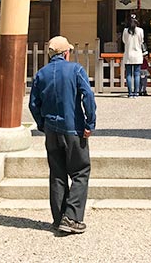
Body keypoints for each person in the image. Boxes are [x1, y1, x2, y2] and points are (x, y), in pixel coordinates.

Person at [29, 35, 97, 234]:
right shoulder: (76, 70)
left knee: (57, 174)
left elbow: (33, 104)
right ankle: (72, 217)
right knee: (80, 171)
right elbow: (88, 96)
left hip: (51, 129)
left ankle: (58, 218)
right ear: (66, 52)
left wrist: (42, 124)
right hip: (73, 127)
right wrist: (89, 122)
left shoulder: (41, 74)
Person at [121, 14, 146, 98]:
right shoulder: (140, 30)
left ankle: (130, 93)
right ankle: (136, 93)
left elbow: (124, 41)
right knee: (137, 74)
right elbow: (142, 41)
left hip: (128, 54)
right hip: (137, 54)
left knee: (128, 74)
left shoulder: (125, 31)